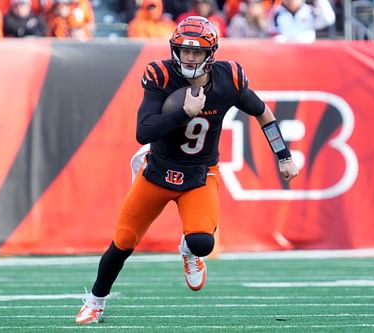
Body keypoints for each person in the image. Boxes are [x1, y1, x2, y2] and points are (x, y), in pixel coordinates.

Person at [75, 15, 298, 324]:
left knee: (202, 242)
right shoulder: (161, 76)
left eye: (197, 52)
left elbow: (263, 112)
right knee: (123, 242)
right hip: (157, 171)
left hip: (199, 175)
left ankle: (188, 251)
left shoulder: (228, 79)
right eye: (184, 51)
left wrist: (283, 154)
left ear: (211, 54)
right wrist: (183, 113)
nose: (190, 57)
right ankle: (95, 302)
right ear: (175, 50)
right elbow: (144, 131)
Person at [269, 0, 335, 42]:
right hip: (284, 54)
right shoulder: (276, 13)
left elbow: (329, 19)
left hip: (306, 53)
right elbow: (272, 33)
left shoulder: (310, 11)